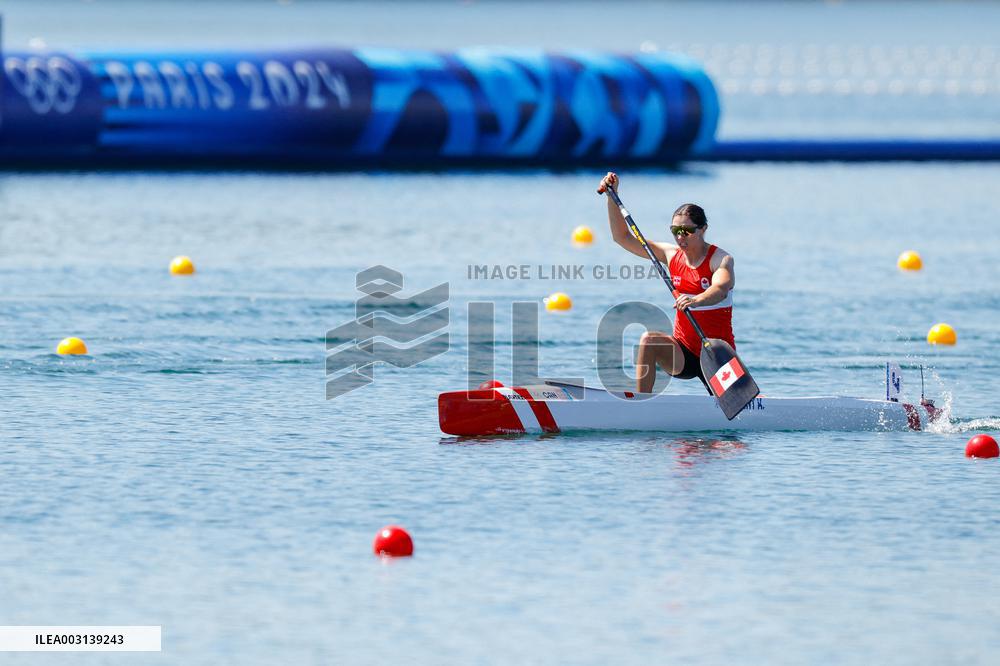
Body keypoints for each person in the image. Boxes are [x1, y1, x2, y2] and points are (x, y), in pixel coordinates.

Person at [597, 172, 736, 393]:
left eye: (687, 231)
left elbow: (721, 288)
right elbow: (622, 237)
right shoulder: (671, 255)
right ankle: (641, 404)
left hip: (717, 354)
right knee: (649, 340)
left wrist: (696, 300)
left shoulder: (720, 259)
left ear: (703, 229)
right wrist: (611, 196)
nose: (680, 237)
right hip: (684, 351)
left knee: (731, 412)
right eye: (675, 231)